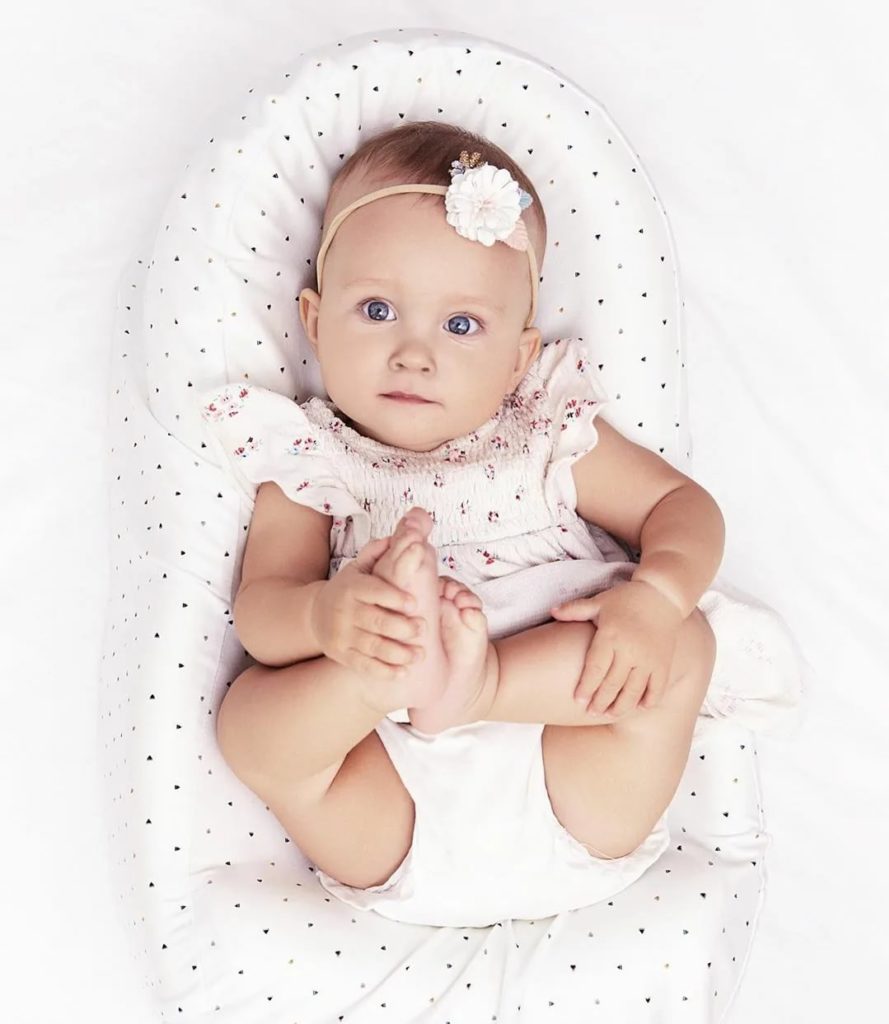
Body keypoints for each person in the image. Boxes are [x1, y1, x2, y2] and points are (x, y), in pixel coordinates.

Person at [195, 121, 791, 928]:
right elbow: (263, 613)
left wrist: (656, 596)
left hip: (574, 780)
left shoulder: (543, 432)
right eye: (377, 309)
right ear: (314, 319)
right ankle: (396, 675)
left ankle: (479, 686)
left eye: (461, 325)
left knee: (681, 643)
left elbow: (679, 509)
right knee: (250, 725)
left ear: (517, 356)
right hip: (390, 807)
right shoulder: (312, 460)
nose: (414, 353)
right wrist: (326, 619)